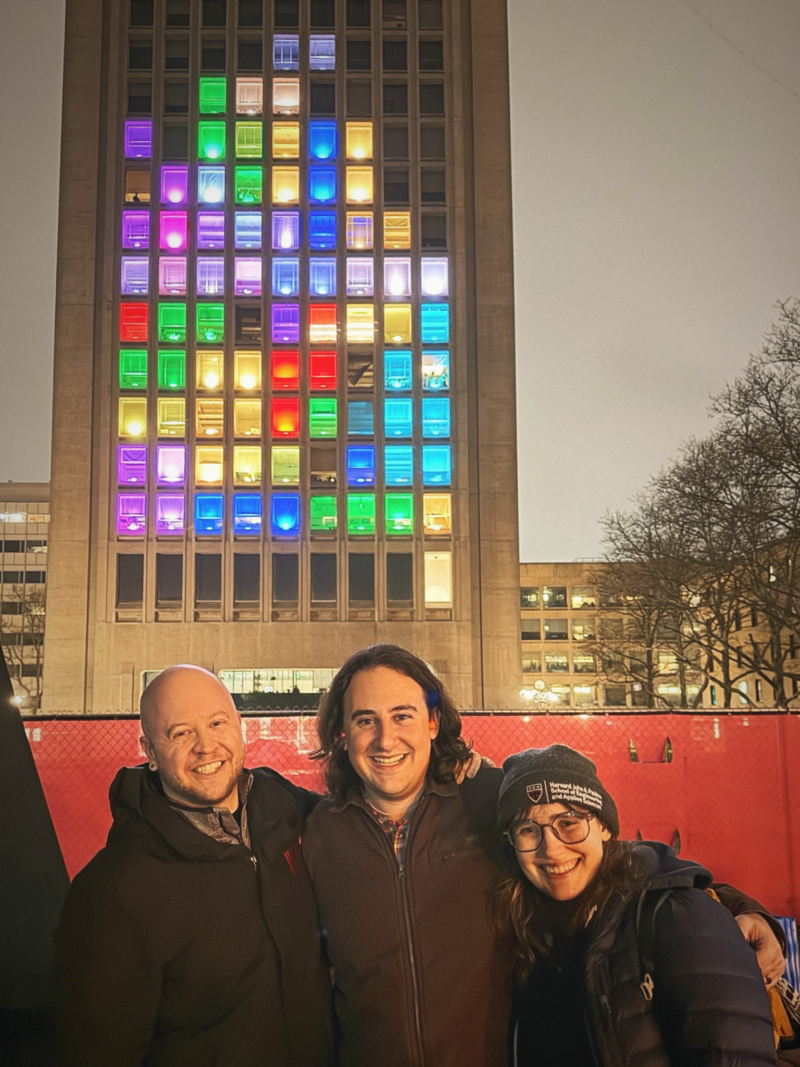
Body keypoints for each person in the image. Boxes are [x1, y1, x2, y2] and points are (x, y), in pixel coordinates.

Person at [304, 643, 783, 1067]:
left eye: (402, 715)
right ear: (342, 734)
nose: (386, 739)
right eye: (365, 719)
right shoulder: (315, 830)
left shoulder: (491, 798)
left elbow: (609, 858)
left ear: (432, 722)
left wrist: (730, 904)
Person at [54, 665, 333, 1067]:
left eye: (217, 723)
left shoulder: (279, 804)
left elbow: (357, 816)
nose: (206, 746)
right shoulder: (113, 891)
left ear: (239, 726)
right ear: (149, 752)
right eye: (180, 733)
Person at [491, 744, 776, 1067]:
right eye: (528, 830)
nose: (552, 850)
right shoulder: (528, 931)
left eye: (568, 823)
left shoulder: (677, 916)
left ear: (604, 826)